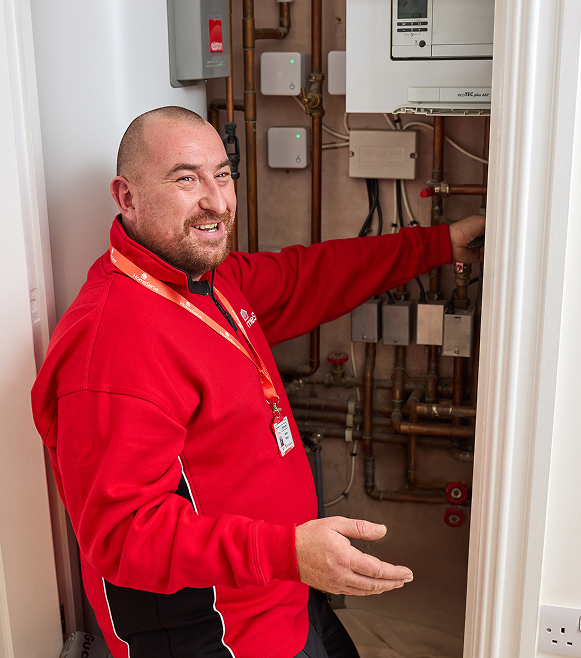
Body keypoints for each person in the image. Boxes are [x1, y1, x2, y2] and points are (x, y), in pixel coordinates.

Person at [31, 106, 485, 658]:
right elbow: (123, 535)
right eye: (185, 178)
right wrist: (286, 552)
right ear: (126, 197)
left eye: (222, 174)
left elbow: (309, 276)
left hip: (280, 592)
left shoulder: (209, 281)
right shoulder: (109, 350)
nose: (216, 201)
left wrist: (437, 245)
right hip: (215, 634)